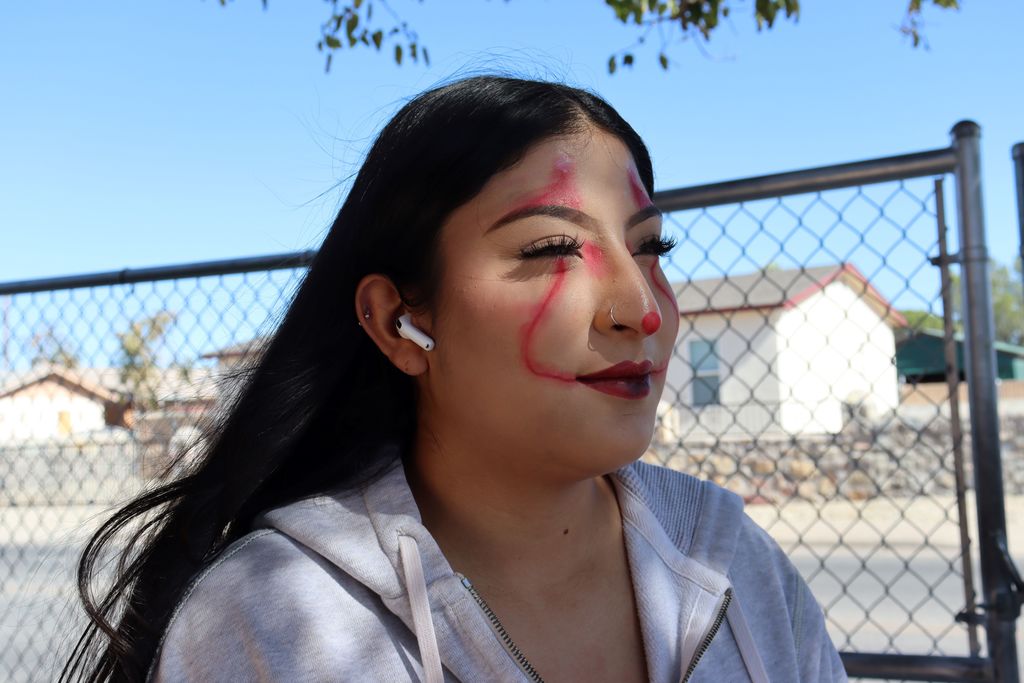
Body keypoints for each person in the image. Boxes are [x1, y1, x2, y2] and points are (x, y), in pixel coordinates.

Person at [63, 75, 846, 682]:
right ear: (397, 320)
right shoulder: (274, 618)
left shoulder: (731, 561)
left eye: (651, 249)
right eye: (550, 249)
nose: (641, 308)